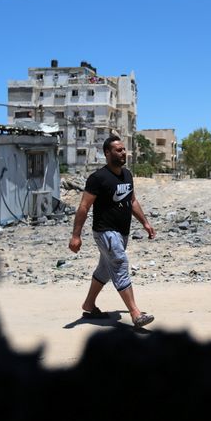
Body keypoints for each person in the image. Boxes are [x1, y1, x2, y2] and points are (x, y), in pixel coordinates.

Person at [68, 136, 156, 327]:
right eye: (118, 150)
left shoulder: (127, 175)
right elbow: (83, 207)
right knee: (120, 263)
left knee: (106, 269)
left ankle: (89, 304)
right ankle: (135, 313)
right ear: (107, 153)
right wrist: (76, 235)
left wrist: (145, 223)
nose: (123, 153)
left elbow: (132, 201)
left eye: (124, 149)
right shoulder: (98, 178)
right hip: (105, 232)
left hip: (122, 233)